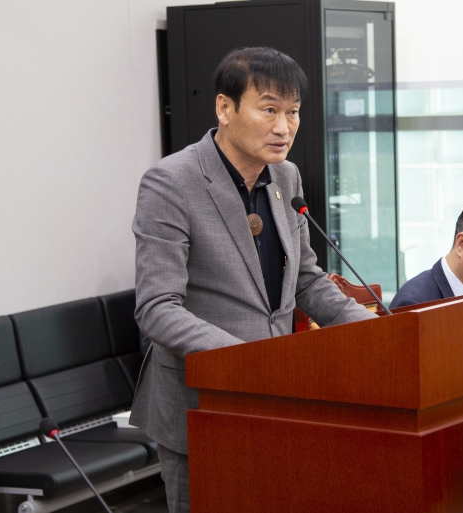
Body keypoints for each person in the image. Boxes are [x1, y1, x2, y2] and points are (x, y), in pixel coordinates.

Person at [129, 47, 377, 512]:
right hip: (203, 407)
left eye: (293, 112)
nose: (284, 127)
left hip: (278, 402)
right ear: (225, 108)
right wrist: (249, 361)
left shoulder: (286, 176)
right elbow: (157, 309)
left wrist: (379, 332)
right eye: (269, 110)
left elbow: (306, 279)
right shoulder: (171, 182)